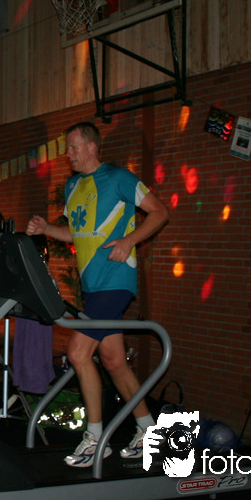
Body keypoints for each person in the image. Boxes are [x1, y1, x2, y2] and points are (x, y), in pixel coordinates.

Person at [26, 121, 170, 467]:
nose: (68, 154)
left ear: (92, 147)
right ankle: (149, 431)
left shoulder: (119, 178)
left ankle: (94, 440)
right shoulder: (73, 185)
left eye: (74, 147)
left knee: (78, 354)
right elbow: (76, 235)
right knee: (114, 361)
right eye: (68, 148)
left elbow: (160, 211)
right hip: (93, 288)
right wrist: (47, 228)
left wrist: (129, 240)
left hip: (116, 282)